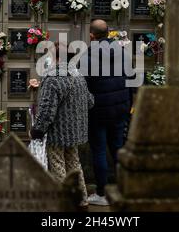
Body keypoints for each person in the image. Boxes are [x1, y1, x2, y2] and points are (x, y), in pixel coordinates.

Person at [30, 42, 94, 207]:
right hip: (75, 132)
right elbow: (90, 102)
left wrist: (37, 130)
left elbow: (46, 110)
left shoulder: (53, 78)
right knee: (75, 165)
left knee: (57, 166)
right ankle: (82, 200)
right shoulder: (78, 75)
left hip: (57, 132)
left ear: (55, 56)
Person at [85, 19, 132, 206]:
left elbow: (84, 86)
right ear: (109, 32)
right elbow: (131, 79)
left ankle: (102, 194)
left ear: (91, 36)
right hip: (120, 109)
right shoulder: (123, 52)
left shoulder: (88, 56)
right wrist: (128, 105)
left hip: (98, 112)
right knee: (118, 149)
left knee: (99, 151)